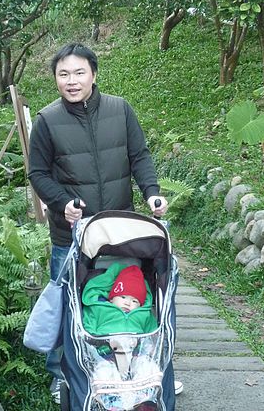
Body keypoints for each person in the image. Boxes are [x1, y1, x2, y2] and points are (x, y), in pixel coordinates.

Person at [28, 42, 171, 403]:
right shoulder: (47, 121)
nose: (71, 81)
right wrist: (63, 203)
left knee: (122, 300)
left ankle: (134, 368)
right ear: (55, 78)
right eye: (63, 74)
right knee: (68, 305)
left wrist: (152, 193)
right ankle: (61, 374)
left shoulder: (120, 110)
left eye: (79, 72)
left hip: (119, 233)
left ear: (93, 74)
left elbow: (139, 156)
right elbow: (38, 173)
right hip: (71, 234)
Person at [82, 263, 162, 410]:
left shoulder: (143, 314)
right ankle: (112, 403)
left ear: (141, 304)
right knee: (104, 373)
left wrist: (149, 348)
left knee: (147, 367)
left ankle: (144, 400)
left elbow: (152, 333)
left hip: (136, 353)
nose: (128, 302)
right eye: (123, 296)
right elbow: (87, 326)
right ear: (111, 298)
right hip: (105, 354)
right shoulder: (100, 308)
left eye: (134, 300)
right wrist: (96, 339)